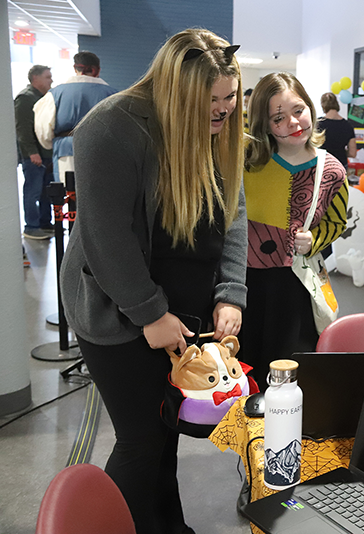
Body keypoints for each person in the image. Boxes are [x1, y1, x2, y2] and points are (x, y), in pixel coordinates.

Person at [60, 29, 246, 533]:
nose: (224, 111)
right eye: (211, 101)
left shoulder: (217, 128)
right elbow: (105, 237)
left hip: (176, 311)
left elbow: (232, 214)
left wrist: (231, 292)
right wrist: (148, 312)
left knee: (164, 433)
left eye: (231, 98)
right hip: (117, 311)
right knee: (141, 440)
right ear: (175, 91)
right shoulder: (110, 128)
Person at [240, 72, 348, 391]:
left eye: (298, 110)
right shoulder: (247, 162)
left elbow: (336, 222)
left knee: (290, 379)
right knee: (245, 376)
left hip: (296, 288)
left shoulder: (332, 171)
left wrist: (315, 240)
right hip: (246, 285)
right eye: (278, 117)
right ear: (264, 122)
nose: (293, 122)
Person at [34, 51, 117, 183]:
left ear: (75, 68)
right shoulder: (114, 95)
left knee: (70, 195)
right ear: (98, 70)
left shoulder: (55, 94)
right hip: (104, 150)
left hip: (67, 151)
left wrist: (55, 143)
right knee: (102, 196)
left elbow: (43, 129)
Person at [15, 65, 54, 240]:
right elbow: (22, 129)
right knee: (33, 191)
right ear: (35, 78)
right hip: (34, 156)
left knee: (47, 191)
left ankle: (45, 223)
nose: (51, 80)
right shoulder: (25, 98)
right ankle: (31, 226)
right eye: (48, 77)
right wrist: (32, 153)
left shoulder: (43, 98)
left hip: (45, 154)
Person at [317, 92, 356, 169]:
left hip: (323, 164)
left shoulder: (318, 124)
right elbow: (353, 153)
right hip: (340, 165)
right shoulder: (348, 125)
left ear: (323, 106)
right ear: (337, 104)